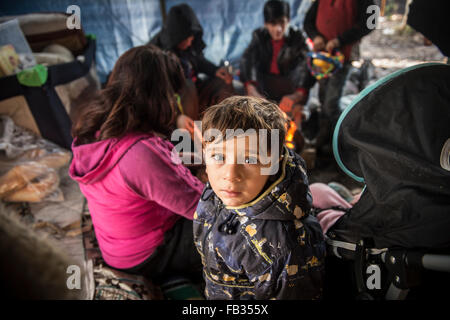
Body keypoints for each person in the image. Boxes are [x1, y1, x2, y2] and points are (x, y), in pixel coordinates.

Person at [69, 45, 204, 284]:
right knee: (240, 230)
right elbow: (204, 208)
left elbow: (149, 169)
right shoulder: (141, 153)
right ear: (160, 95)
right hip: (148, 255)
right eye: (172, 96)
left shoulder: (95, 131)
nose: (174, 103)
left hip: (117, 247)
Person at [193, 96, 326, 300]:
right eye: (219, 157)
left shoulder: (281, 246)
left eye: (249, 159)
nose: (230, 174)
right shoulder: (215, 194)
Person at [303, 0, 374, 151]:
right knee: (323, 99)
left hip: (343, 58)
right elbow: (307, 21)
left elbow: (370, 24)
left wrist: (339, 40)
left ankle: (341, 144)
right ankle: (325, 140)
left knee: (331, 103)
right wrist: (316, 37)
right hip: (322, 59)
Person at [150, 3, 233, 119]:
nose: (190, 42)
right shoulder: (155, 52)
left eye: (192, 37)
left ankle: (221, 121)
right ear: (177, 36)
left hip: (195, 90)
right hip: (174, 99)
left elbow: (198, 61)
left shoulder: (188, 47)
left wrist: (215, 70)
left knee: (223, 82)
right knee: (189, 87)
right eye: (187, 38)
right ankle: (191, 132)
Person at [240, 0, 315, 120]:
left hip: (290, 89)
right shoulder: (259, 36)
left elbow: (306, 67)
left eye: (282, 22)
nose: (278, 29)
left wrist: (296, 95)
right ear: (265, 24)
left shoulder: (298, 38)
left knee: (298, 116)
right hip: (264, 88)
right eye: (273, 24)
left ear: (288, 21)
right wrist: (252, 90)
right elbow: (248, 60)